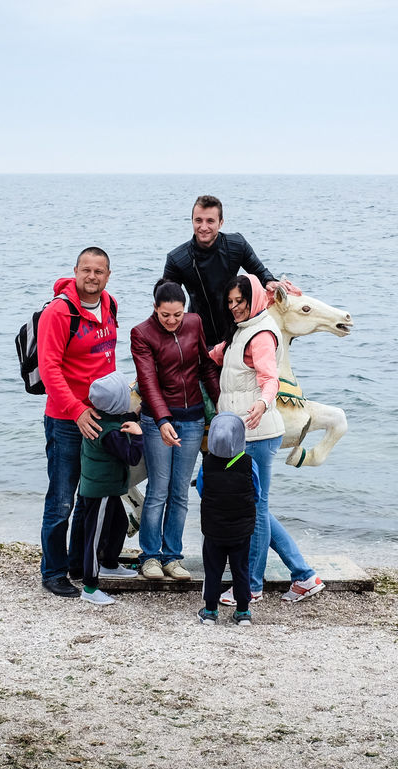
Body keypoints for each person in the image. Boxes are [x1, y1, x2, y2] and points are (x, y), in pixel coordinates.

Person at [210, 274, 325, 605]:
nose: (234, 307)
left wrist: (263, 402)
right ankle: (304, 575)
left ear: (255, 299)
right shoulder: (242, 329)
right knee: (257, 507)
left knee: (255, 509)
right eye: (230, 302)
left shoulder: (261, 334)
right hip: (243, 431)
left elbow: (269, 378)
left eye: (240, 301)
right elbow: (216, 356)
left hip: (257, 433)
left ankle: (252, 586)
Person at [36, 246, 119, 598]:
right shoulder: (58, 312)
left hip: (100, 417)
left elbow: (106, 362)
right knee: (61, 500)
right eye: (86, 269)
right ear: (75, 271)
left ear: (107, 275)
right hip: (66, 420)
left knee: (92, 495)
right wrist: (76, 410)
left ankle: (77, 563)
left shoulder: (110, 304)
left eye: (98, 271)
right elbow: (49, 369)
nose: (92, 276)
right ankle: (53, 572)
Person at [129, 279, 220, 581]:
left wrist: (221, 406)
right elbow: (147, 381)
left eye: (177, 315)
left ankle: (172, 557)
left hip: (193, 419)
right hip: (157, 421)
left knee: (180, 492)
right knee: (158, 490)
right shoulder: (142, 333)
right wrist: (162, 420)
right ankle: (150, 557)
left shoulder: (194, 323)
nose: (172, 321)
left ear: (184, 310)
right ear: (155, 308)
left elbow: (206, 367)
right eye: (165, 315)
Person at [162, 194, 295, 347]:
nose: (203, 227)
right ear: (192, 221)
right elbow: (165, 301)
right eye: (198, 220)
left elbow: (260, 272)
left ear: (221, 223)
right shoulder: (177, 258)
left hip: (237, 332)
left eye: (210, 221)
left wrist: (270, 281)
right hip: (199, 338)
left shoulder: (236, 244)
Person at [72, 370, 144, 606]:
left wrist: (136, 413)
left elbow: (120, 417)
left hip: (108, 487)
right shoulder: (110, 433)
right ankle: (90, 587)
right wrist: (139, 434)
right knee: (94, 538)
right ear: (117, 403)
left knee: (120, 523)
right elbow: (132, 457)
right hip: (100, 491)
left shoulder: (101, 416)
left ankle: (110, 564)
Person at [194, 412, 259, 626]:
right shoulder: (249, 463)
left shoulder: (206, 464)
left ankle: (210, 611)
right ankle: (243, 612)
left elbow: (202, 490)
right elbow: (256, 493)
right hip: (241, 529)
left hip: (213, 528)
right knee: (241, 568)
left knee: (213, 568)